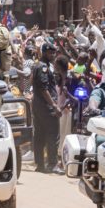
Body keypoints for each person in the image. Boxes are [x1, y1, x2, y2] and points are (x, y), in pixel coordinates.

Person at [30, 45, 64, 173]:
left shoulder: (38, 65)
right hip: (46, 106)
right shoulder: (43, 67)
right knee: (52, 135)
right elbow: (43, 88)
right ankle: (52, 164)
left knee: (39, 135)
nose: (52, 55)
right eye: (50, 53)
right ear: (44, 53)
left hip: (38, 105)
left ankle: (40, 164)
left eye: (54, 53)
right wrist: (54, 106)